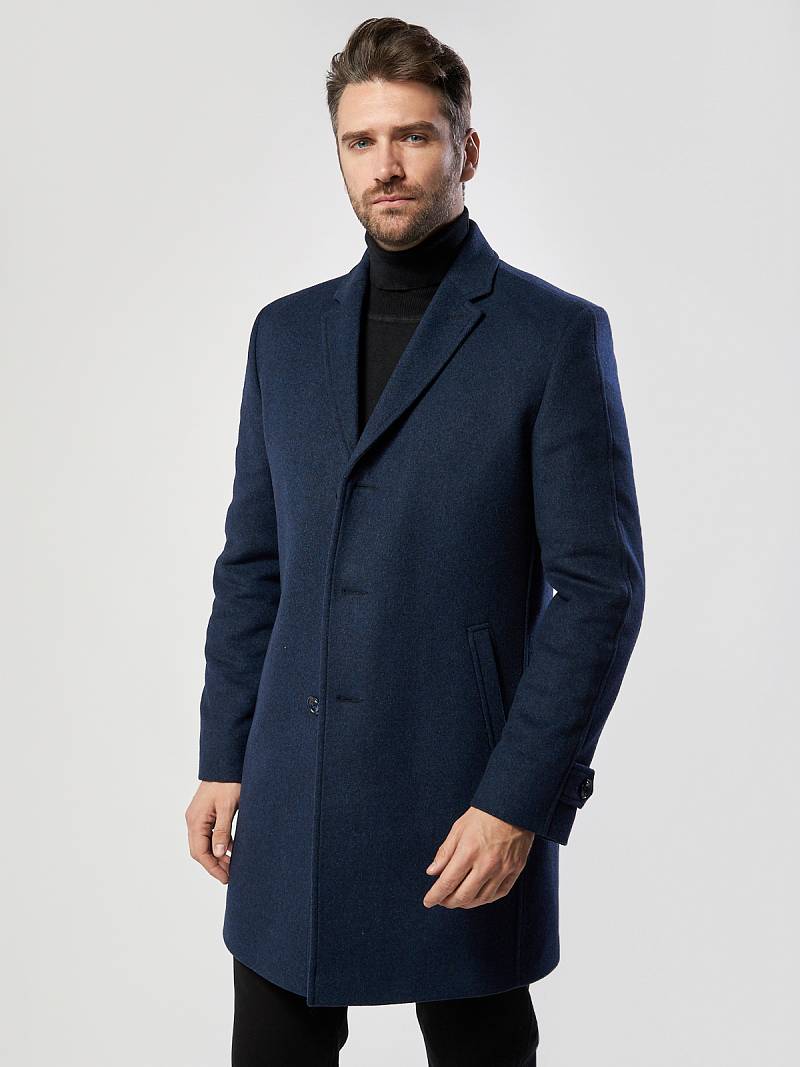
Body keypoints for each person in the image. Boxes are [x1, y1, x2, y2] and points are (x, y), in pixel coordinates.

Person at [185, 16, 645, 1066]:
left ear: (464, 149)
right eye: (361, 141)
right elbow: (253, 565)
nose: (385, 165)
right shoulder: (283, 336)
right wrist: (224, 753)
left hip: (462, 798)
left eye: (413, 136)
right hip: (291, 796)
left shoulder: (550, 336)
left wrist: (517, 799)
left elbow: (599, 590)